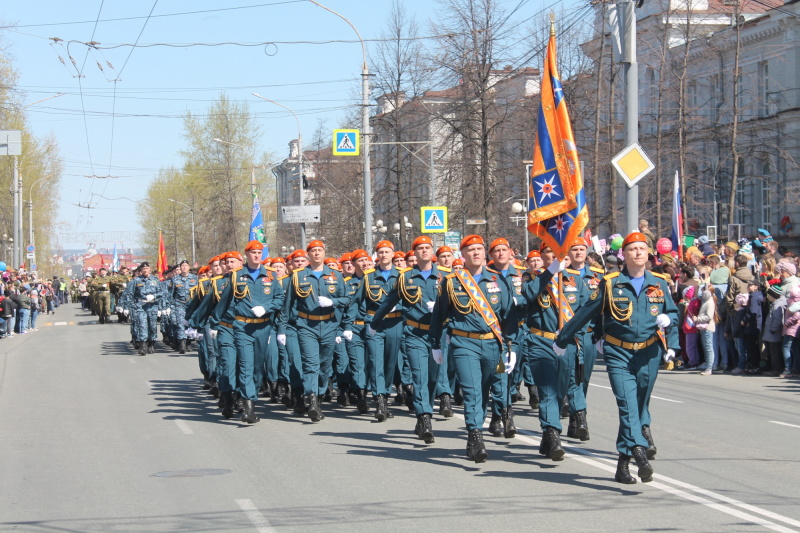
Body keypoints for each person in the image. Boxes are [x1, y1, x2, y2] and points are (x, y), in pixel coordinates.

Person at [556, 232, 679, 485]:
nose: (638, 253)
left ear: (648, 253)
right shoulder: (611, 283)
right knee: (627, 405)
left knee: (640, 404)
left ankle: (622, 464)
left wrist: (672, 338)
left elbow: (672, 313)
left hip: (649, 352)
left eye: (642, 248)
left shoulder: (660, 282)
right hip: (618, 352)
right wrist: (562, 339)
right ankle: (639, 453)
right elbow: (585, 313)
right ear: (624, 254)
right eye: (632, 249)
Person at [429, 235, 518, 463]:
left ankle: (477, 427)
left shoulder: (499, 281)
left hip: (493, 344)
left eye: (479, 249)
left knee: (486, 389)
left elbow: (509, 317)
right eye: (471, 250)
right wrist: (435, 345)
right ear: (463, 255)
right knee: (472, 391)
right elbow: (439, 315)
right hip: (463, 343)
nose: (476, 253)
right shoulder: (451, 281)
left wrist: (512, 347)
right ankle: (475, 435)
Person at [372, 236, 450, 444]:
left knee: (433, 378)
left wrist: (445, 313)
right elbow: (389, 301)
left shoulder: (446, 276)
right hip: (415, 333)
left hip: (438, 335)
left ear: (432, 251)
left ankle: (423, 411)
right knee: (419, 376)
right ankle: (424, 417)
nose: (424, 251)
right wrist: (374, 323)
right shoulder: (406, 278)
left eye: (427, 248)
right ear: (414, 253)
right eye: (420, 248)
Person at [210, 241, 284, 424]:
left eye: (259, 252)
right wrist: (214, 323)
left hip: (263, 326)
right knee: (245, 365)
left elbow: (279, 298)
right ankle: (249, 407)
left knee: (258, 367)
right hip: (242, 327)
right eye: (253, 252)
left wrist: (266, 308)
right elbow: (225, 301)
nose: (257, 255)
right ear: (247, 255)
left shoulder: (271, 275)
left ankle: (252, 392)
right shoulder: (237, 276)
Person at [279, 240, 348, 422]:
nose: (317, 253)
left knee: (325, 365)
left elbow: (346, 299)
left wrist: (333, 302)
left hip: (329, 325)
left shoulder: (336, 275)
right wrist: (282, 329)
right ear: (308, 255)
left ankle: (319, 392)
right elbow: (287, 306)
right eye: (313, 251)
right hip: (306, 325)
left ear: (324, 253)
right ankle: (313, 400)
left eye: (320, 250)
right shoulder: (298, 276)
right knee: (310, 364)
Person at [362, 240, 405, 421]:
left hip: (395, 324)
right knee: (375, 361)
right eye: (381, 252)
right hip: (375, 325)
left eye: (387, 252)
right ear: (377, 256)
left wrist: (399, 306)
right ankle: (379, 399)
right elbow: (360, 302)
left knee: (390, 362)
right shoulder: (369, 276)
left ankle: (386, 393)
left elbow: (409, 297)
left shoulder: (403, 276)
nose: (384, 255)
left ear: (393, 254)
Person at [123, 262, 164, 355]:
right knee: (142, 325)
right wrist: (128, 307)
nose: (145, 270)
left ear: (150, 269)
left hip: (152, 306)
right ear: (141, 271)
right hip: (140, 306)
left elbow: (162, 292)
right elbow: (129, 294)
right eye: (143, 269)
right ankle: (142, 345)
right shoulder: (136, 281)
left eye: (147, 268)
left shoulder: (155, 280)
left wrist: (154, 296)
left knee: (152, 326)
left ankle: (151, 343)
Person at [695, 285, 717, 374]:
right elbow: (697, 295)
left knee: (708, 347)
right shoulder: (705, 301)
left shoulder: (710, 303)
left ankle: (709, 368)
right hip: (703, 327)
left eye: (704, 292)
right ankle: (708, 366)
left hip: (707, 327)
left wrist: (698, 319)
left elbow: (709, 316)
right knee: (706, 347)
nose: (702, 294)